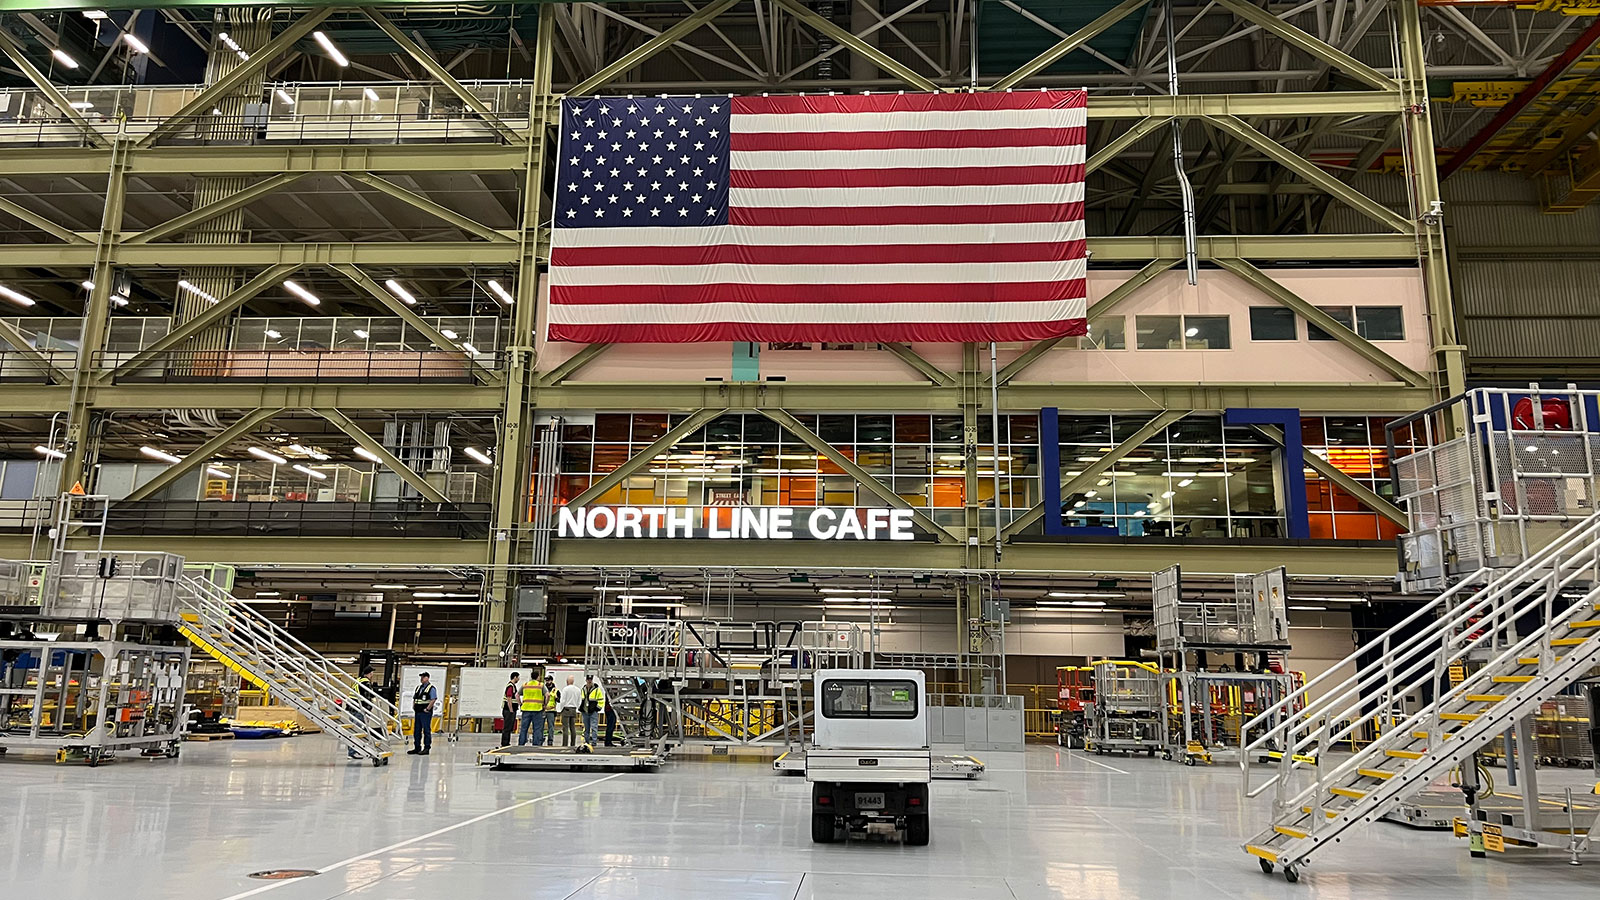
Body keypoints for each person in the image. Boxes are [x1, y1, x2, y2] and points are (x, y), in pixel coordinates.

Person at [348, 666, 377, 760]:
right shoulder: (366, 683)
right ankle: (352, 752)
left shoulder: (358, 680)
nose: (372, 674)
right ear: (370, 673)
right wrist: (368, 711)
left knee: (353, 730)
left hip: (352, 707)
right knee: (357, 731)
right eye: (372, 672)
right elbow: (367, 697)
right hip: (359, 708)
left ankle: (353, 750)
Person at [409, 672, 438, 756]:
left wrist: (427, 708)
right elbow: (415, 698)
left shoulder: (431, 688)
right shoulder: (418, 688)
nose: (421, 679)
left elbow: (433, 699)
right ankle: (417, 747)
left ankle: (426, 748)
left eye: (423, 677)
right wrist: (414, 706)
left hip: (425, 713)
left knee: (426, 730)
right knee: (417, 730)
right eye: (421, 677)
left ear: (427, 678)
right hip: (418, 712)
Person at [518, 669, 547, 746]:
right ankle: (536, 744)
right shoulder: (540, 685)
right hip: (537, 710)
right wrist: (545, 704)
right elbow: (547, 695)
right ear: (538, 677)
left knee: (524, 728)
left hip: (526, 709)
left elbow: (517, 695)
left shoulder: (525, 685)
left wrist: (520, 704)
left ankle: (521, 744)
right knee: (537, 729)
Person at [582, 674, 605, 746]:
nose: (589, 681)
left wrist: (597, 708)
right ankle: (587, 742)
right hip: (585, 711)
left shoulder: (597, 689)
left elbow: (601, 700)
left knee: (594, 727)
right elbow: (582, 699)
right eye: (588, 680)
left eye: (590, 680)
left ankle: (594, 742)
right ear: (586, 680)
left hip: (593, 711)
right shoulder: (583, 689)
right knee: (586, 728)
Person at [558, 675, 581, 747]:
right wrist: (576, 708)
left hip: (566, 709)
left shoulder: (565, 689)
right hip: (573, 709)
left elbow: (563, 700)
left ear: (567, 681)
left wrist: (561, 709)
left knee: (565, 728)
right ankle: (573, 744)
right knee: (573, 727)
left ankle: (565, 744)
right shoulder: (577, 690)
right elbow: (579, 701)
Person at [499, 671, 520, 748]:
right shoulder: (510, 686)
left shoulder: (513, 686)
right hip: (508, 710)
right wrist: (511, 709)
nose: (518, 679)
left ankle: (507, 742)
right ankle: (505, 743)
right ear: (515, 677)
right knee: (507, 727)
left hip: (511, 710)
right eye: (518, 677)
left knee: (509, 726)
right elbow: (509, 698)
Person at [543, 675, 559, 746]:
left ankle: (550, 740)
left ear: (552, 681)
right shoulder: (543, 688)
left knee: (551, 727)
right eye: (546, 680)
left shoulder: (555, 690)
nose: (547, 682)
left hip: (551, 710)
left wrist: (556, 698)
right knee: (541, 726)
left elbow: (559, 700)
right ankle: (540, 738)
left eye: (548, 680)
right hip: (543, 709)